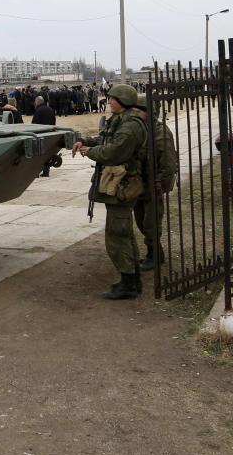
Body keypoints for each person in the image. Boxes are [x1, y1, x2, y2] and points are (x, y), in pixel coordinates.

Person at [72, 84, 148, 300]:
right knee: (122, 233)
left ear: (123, 101)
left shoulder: (130, 126)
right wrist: (85, 141)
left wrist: (90, 151)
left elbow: (113, 152)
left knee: (117, 235)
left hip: (122, 185)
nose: (109, 102)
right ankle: (131, 281)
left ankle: (128, 284)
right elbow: (105, 139)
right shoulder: (120, 120)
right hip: (116, 184)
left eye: (113, 99)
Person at [133, 103, 178, 271]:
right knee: (140, 220)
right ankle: (156, 252)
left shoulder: (161, 132)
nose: (135, 113)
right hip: (138, 184)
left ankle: (155, 255)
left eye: (138, 111)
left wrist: (160, 184)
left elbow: (168, 163)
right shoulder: (138, 130)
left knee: (151, 222)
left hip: (153, 184)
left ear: (149, 112)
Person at [32, 96, 56, 176]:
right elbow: (54, 122)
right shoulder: (50, 109)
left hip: (40, 135)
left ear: (38, 102)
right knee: (47, 154)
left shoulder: (38, 110)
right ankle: (46, 171)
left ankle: (36, 172)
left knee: (38, 155)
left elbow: (34, 124)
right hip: (49, 134)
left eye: (35, 102)